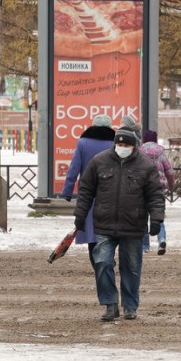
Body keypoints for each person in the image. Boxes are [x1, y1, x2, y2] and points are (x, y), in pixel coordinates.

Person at [73, 130, 165, 321]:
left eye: (127, 146)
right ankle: (109, 304)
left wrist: (156, 219)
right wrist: (80, 215)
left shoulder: (146, 166)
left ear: (134, 147)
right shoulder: (99, 162)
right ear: (115, 145)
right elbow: (86, 191)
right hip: (104, 225)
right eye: (119, 145)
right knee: (102, 262)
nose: (122, 148)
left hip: (133, 226)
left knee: (131, 267)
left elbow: (155, 196)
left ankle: (130, 306)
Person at [61, 114, 116, 267]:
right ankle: (108, 256)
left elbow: (74, 167)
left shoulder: (83, 142)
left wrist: (67, 190)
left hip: (88, 192)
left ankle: (96, 259)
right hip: (111, 191)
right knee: (109, 226)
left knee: (91, 229)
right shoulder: (114, 143)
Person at [139, 130, 175, 255]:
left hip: (142, 188)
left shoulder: (139, 152)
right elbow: (169, 171)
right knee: (158, 215)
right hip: (158, 188)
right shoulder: (160, 153)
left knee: (142, 217)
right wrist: (171, 185)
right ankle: (162, 240)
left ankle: (144, 246)